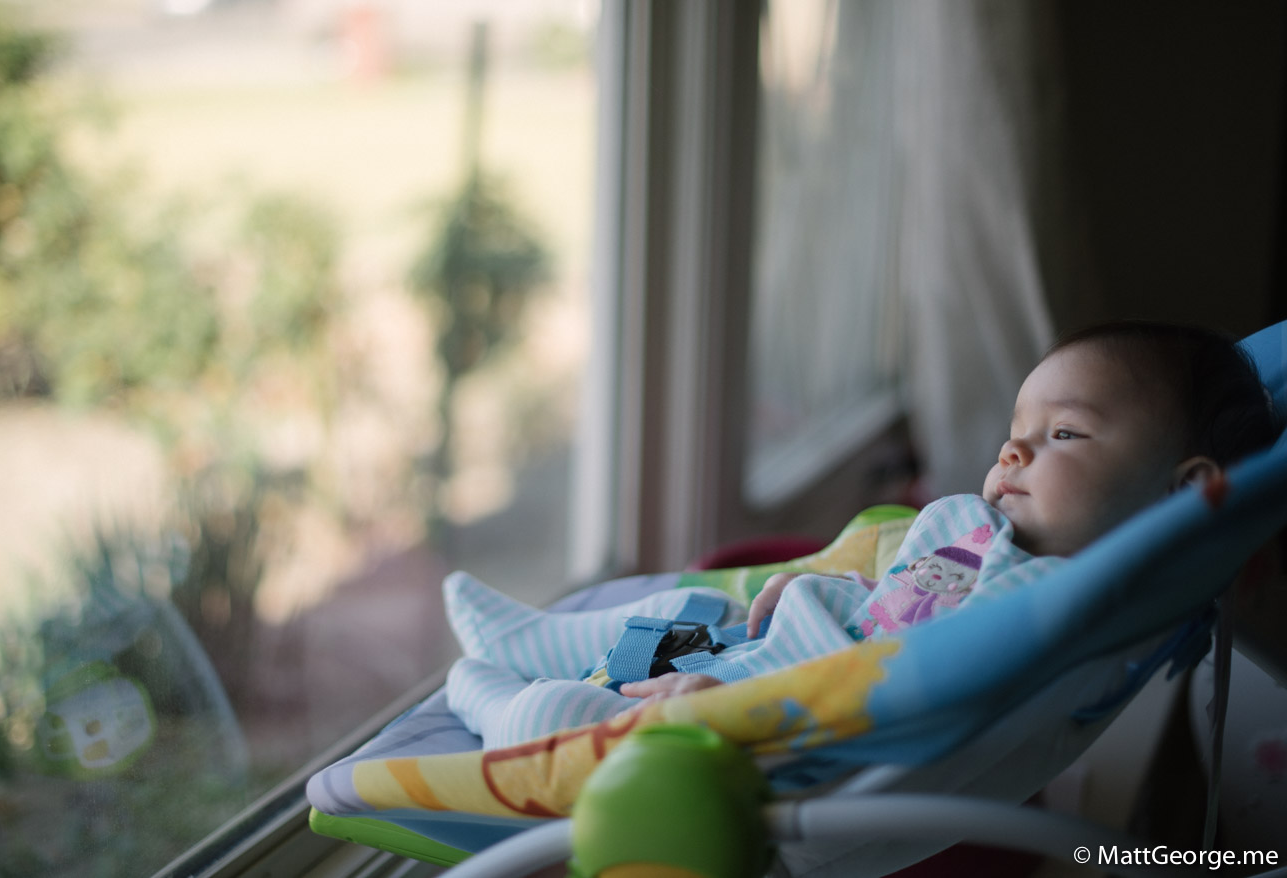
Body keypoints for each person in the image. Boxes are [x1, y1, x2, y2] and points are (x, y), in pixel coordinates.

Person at [443, 321, 1282, 749]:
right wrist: (828, 587)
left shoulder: (1055, 605)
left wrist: (737, 708)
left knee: (571, 718)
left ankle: (492, 708)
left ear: (1184, 493)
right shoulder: (974, 530)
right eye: (1015, 429)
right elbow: (903, 603)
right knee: (688, 605)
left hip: (763, 716)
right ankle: (538, 639)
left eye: (1064, 434)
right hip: (771, 643)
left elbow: (909, 686)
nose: (1014, 450)